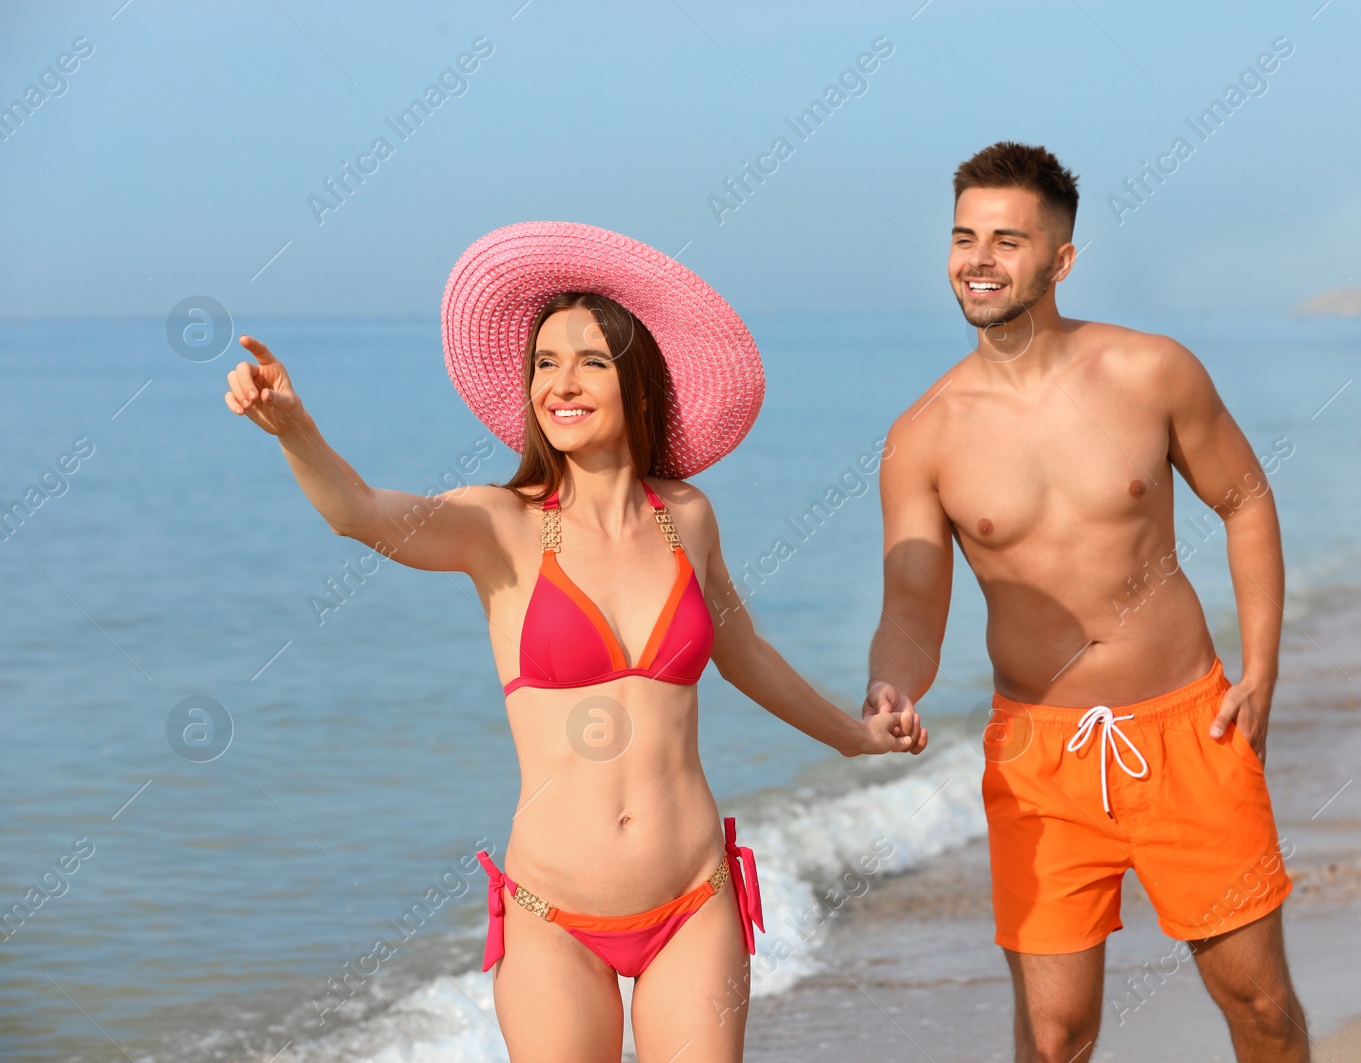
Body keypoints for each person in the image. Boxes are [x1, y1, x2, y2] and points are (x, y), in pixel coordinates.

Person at [225, 221, 924, 1063]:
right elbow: (360, 514)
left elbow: (746, 656)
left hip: (692, 901)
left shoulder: (688, 517)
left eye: (590, 361)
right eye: (544, 363)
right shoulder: (497, 524)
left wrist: (853, 736)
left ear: (637, 383)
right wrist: (294, 429)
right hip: (553, 916)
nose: (562, 382)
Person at [862, 144, 1308, 1062]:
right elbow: (912, 603)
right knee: (1056, 1034)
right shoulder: (923, 437)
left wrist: (1261, 668)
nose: (978, 259)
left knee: (1259, 1004)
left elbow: (1245, 500)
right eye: (963, 237)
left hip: (1191, 733)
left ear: (1060, 260)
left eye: (1006, 240)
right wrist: (890, 684)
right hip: (1040, 760)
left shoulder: (1151, 372)